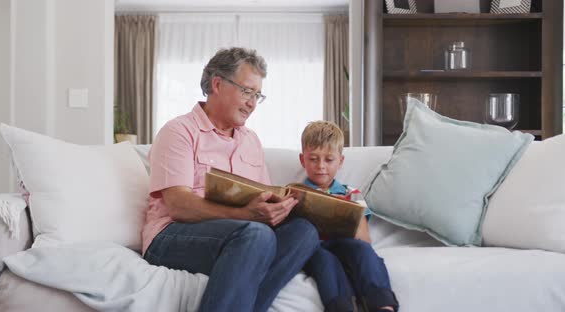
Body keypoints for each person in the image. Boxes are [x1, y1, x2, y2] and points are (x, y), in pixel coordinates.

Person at [141, 47, 319, 312]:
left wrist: (277, 209)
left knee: (304, 232)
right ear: (217, 84)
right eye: (247, 91)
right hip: (171, 236)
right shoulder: (178, 131)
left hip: (241, 237)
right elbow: (179, 205)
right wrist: (248, 216)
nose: (252, 103)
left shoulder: (251, 141)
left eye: (258, 95)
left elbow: (262, 197)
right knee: (256, 235)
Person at [299, 121, 399, 312]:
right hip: (315, 248)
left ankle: (383, 305)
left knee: (362, 251)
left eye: (329, 160)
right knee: (324, 261)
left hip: (346, 243)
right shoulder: (296, 193)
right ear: (303, 160)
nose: (320, 166)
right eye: (313, 159)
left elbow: (364, 239)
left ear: (341, 162)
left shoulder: (352, 194)